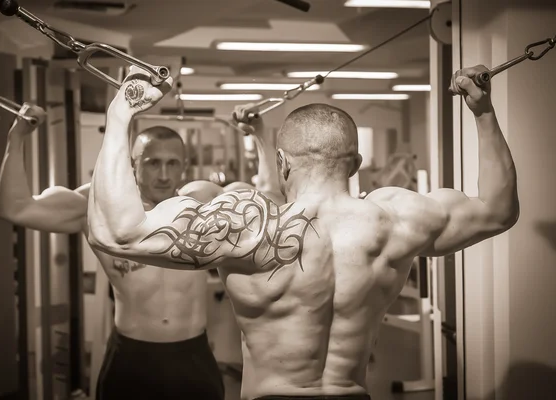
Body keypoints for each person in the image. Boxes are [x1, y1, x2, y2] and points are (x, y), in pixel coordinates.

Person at [87, 64, 519, 400]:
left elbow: (117, 233)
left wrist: (121, 111)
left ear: (284, 162)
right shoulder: (395, 219)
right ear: (354, 162)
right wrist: (482, 113)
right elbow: (498, 212)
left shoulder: (249, 225)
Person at [0, 96, 279, 399]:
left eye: (172, 164)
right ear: (133, 165)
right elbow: (16, 208)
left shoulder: (202, 203)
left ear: (184, 166)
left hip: (193, 355)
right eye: (152, 163)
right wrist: (17, 136)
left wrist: (261, 136)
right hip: (132, 356)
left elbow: (271, 205)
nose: (163, 174)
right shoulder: (99, 205)